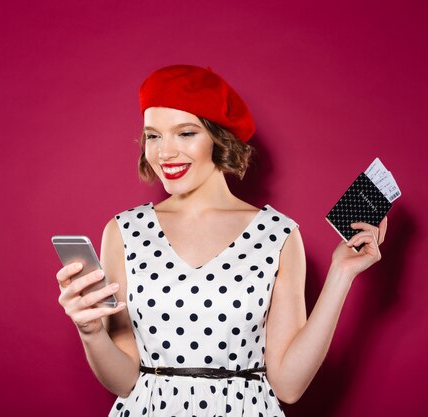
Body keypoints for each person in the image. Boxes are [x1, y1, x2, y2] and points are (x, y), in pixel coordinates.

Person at [56, 64, 387, 417]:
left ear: (218, 137)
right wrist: (91, 331)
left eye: (185, 133)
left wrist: (341, 274)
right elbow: (123, 381)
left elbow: (289, 386)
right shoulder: (123, 231)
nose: (165, 153)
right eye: (153, 136)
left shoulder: (278, 234)